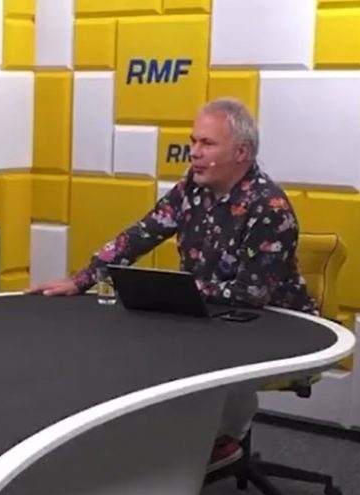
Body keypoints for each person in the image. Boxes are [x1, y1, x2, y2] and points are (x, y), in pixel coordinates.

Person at [26, 97, 317, 472]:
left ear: (241, 152)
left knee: (212, 355)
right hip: (210, 314)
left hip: (272, 324)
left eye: (207, 143)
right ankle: (174, 440)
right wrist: (82, 279)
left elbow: (251, 294)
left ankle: (226, 437)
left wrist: (183, 289)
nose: (194, 152)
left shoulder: (269, 208)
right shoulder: (191, 189)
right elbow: (140, 235)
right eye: (194, 141)